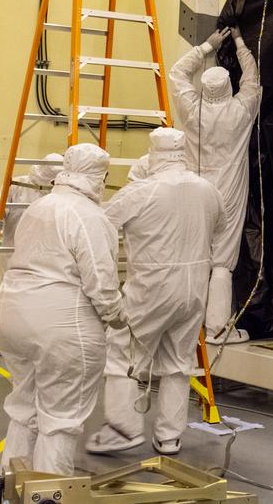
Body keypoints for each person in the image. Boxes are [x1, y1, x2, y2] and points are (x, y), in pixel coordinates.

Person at [86, 127, 225, 456]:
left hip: (152, 285)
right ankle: (169, 437)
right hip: (195, 288)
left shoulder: (141, 192)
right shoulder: (208, 190)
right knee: (179, 362)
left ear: (153, 154)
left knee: (123, 353)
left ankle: (123, 428)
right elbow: (218, 229)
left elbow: (97, 227)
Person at [0, 143, 123, 476]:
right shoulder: (90, 215)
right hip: (61, 325)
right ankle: (48, 495)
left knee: (24, 408)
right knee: (60, 418)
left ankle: (11, 486)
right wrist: (117, 317)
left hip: (12, 315)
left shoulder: (40, 206)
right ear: (99, 176)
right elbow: (101, 280)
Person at [168, 27, 261, 343]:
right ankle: (218, 330)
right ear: (227, 88)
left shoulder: (192, 111)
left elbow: (178, 73)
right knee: (222, 262)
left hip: (196, 193)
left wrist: (207, 46)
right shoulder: (240, 110)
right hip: (229, 195)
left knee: (194, 256)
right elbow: (252, 79)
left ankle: (184, 325)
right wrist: (239, 43)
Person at [0, 153, 63, 246]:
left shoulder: (60, 192)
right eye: (53, 181)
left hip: (45, 252)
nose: (55, 183)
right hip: (13, 251)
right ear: (45, 174)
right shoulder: (16, 185)